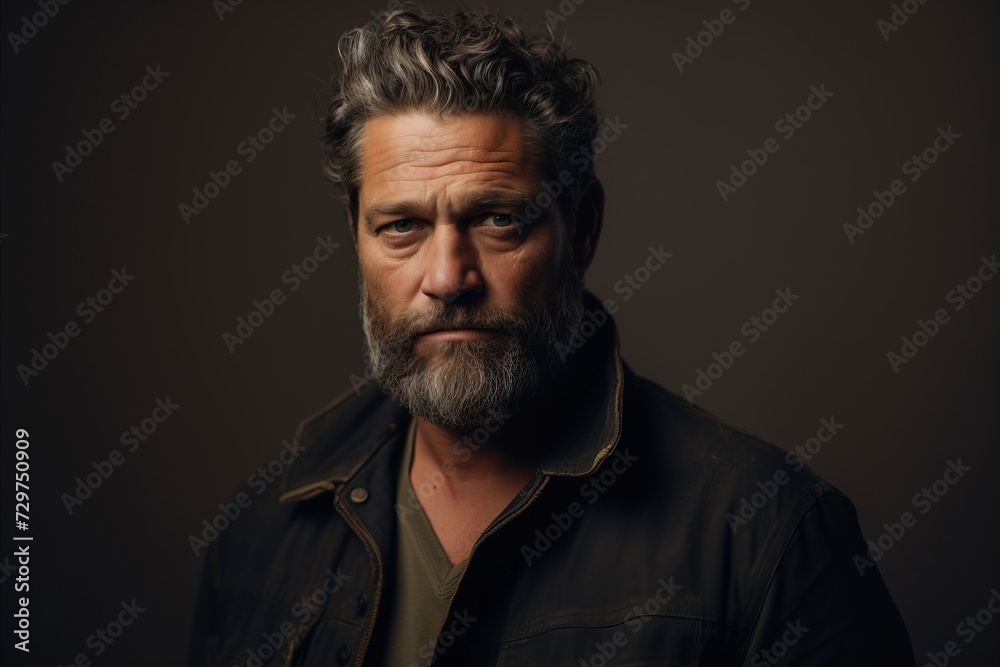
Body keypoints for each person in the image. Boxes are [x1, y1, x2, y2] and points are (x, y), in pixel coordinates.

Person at [189, 5, 915, 665]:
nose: (448, 277)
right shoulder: (260, 540)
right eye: (402, 225)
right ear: (355, 235)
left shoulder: (770, 537)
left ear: (584, 226)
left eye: (499, 218)